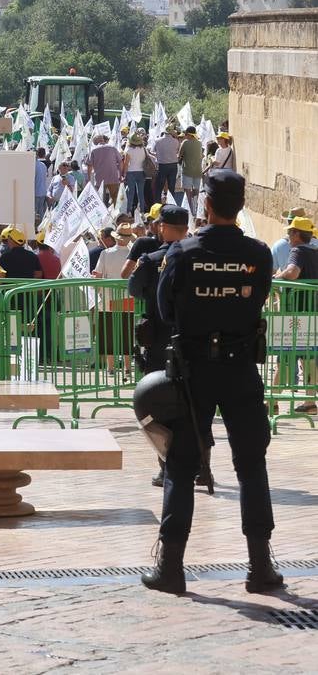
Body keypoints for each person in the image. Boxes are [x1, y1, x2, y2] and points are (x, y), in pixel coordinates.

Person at [142, 170, 282, 594]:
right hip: (240, 369)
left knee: (181, 469)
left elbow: (166, 310)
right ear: (239, 205)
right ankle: (260, 567)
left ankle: (171, 567)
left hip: (194, 371)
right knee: (251, 467)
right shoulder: (259, 254)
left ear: (206, 204)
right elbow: (257, 298)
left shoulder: (183, 253)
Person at [127, 205, 191, 487]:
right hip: (192, 341)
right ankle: (202, 466)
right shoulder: (197, 257)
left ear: (163, 227)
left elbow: (134, 289)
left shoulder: (151, 260)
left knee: (156, 405)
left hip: (159, 344)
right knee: (195, 406)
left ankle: (166, 466)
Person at [178, 126, 204, 209]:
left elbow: (179, 155)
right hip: (198, 170)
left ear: (189, 134)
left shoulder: (185, 142)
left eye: (186, 134)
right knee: (196, 190)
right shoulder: (199, 143)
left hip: (187, 170)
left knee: (188, 192)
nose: (185, 135)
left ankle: (190, 209)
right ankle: (196, 207)